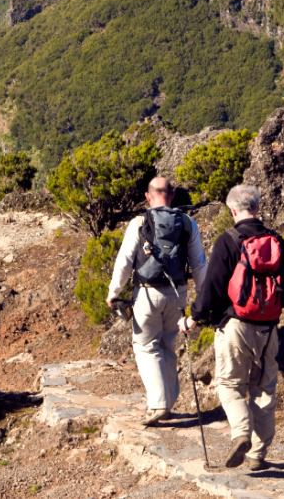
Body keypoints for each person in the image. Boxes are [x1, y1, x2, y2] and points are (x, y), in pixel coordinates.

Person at [184, 183, 284, 470]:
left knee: (229, 383)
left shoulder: (228, 241)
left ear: (232, 210)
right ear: (257, 207)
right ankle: (258, 453)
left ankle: (240, 433)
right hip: (269, 327)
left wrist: (195, 317)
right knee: (264, 387)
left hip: (235, 325)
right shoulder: (275, 240)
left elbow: (212, 288)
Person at [106, 175, 207, 426]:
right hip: (178, 291)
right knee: (169, 344)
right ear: (171, 196)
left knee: (145, 345)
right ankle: (168, 401)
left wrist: (114, 292)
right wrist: (204, 299)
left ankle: (159, 403)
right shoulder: (187, 223)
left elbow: (125, 261)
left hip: (147, 292)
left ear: (148, 196)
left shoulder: (139, 222)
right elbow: (199, 264)